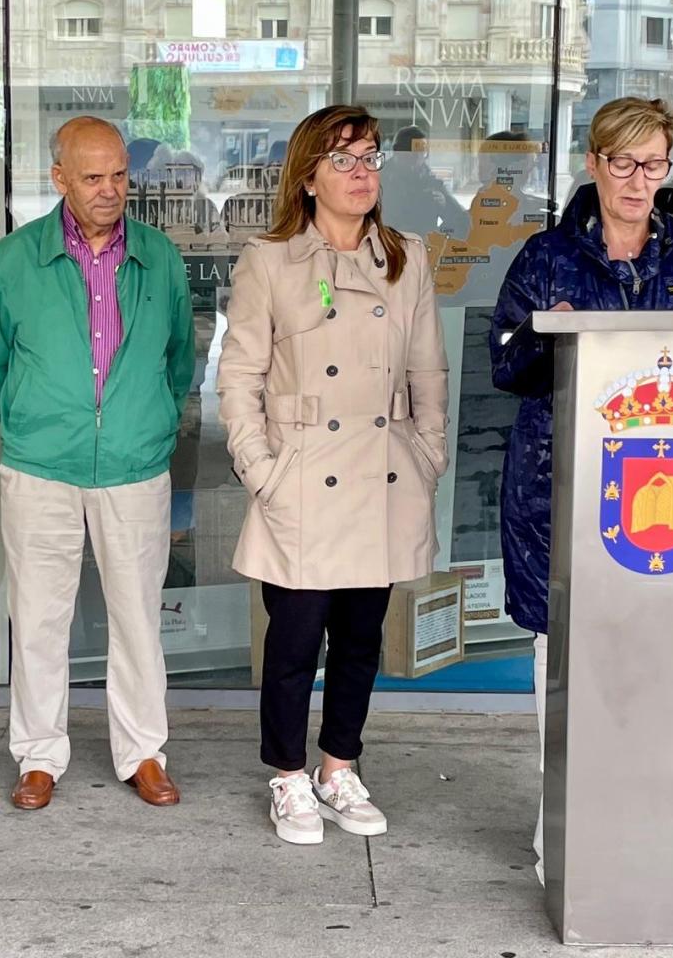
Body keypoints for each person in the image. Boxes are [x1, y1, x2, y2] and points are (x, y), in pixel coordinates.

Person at [489, 97, 673, 880]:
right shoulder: (545, 256)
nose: (640, 181)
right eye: (625, 163)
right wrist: (546, 332)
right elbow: (506, 365)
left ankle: (648, 825)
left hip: (670, 495)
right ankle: (563, 829)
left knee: (658, 659)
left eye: (655, 164)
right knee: (566, 660)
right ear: (595, 163)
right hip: (558, 492)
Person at [217, 105, 450, 846]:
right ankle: (288, 776)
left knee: (360, 639)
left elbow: (426, 369)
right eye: (344, 160)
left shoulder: (406, 255)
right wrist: (261, 468)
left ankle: (338, 766)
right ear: (309, 176)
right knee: (293, 641)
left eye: (371, 158)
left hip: (382, 472)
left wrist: (429, 453)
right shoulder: (269, 259)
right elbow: (239, 374)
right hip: (303, 474)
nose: (362, 174)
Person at [0, 116, 195, 811]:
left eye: (120, 175)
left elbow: (179, 360)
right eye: (93, 177)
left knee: (137, 617)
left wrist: (144, 417)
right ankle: (39, 756)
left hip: (133, 463)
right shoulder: (15, 259)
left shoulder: (159, 257)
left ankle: (144, 753)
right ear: (58, 178)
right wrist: (37, 425)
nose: (110, 190)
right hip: (42, 466)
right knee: (39, 617)